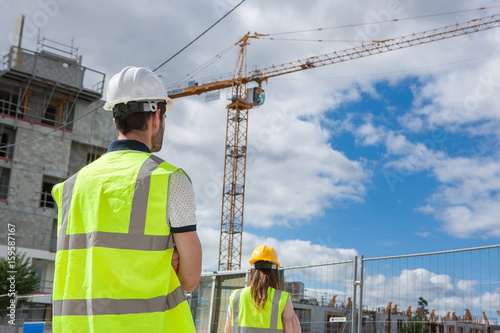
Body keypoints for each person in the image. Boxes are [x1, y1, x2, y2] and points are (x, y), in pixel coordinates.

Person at [51, 66, 202, 332]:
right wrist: (165, 259)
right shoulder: (169, 179)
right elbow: (189, 279)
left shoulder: (69, 187)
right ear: (157, 116)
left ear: (115, 120)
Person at [225, 245, 301, 333]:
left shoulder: (236, 296)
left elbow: (228, 329)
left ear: (252, 270)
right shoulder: (282, 298)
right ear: (275, 271)